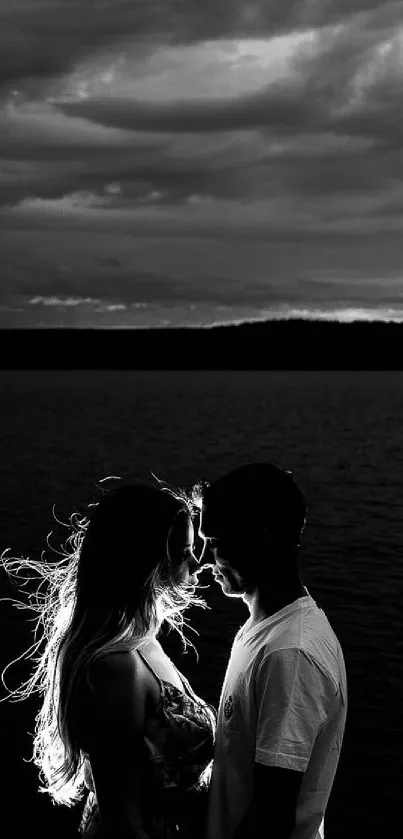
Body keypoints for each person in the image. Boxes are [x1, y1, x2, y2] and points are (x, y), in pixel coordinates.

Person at [1, 478, 216, 839]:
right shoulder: (116, 668)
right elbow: (123, 819)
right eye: (183, 554)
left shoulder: (143, 642)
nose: (198, 565)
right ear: (143, 564)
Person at [198, 462, 347, 839]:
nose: (204, 558)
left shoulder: (291, 655)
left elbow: (272, 817)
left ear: (259, 536)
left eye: (214, 542)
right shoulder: (263, 631)